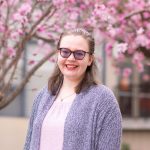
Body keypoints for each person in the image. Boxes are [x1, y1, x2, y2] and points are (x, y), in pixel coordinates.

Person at [24, 28, 122, 150]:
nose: (71, 58)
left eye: (79, 53)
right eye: (65, 52)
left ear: (90, 59)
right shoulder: (42, 96)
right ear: (58, 54)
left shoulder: (104, 100)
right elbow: (28, 144)